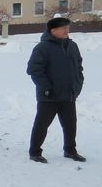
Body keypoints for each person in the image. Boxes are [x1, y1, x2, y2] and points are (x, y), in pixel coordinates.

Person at [26, 16, 85, 163]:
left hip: (69, 94)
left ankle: (70, 150)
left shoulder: (72, 46)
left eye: (68, 27)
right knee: (41, 125)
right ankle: (35, 152)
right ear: (53, 30)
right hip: (49, 96)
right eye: (63, 28)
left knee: (70, 125)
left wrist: (78, 85)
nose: (67, 30)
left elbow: (79, 67)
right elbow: (34, 70)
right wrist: (46, 88)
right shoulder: (42, 48)